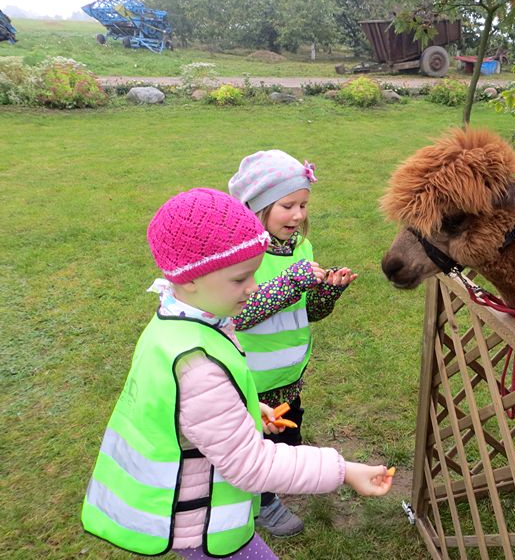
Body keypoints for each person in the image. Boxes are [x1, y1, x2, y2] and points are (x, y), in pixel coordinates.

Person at [81, 188, 392, 559]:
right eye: (240, 279)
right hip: (201, 524)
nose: (254, 288)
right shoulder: (197, 364)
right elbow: (251, 465)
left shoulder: (175, 322)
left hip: (192, 510)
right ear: (191, 278)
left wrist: (246, 408)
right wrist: (344, 471)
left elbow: (190, 411)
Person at [228, 150, 357, 536]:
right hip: (251, 380)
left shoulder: (300, 248)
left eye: (303, 204)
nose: (299, 215)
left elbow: (307, 310)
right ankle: (263, 503)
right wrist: (292, 281)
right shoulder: (243, 255)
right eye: (288, 205)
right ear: (256, 205)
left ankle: (285, 472)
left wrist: (327, 292)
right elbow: (241, 315)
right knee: (252, 449)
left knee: (288, 432)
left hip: (289, 372)